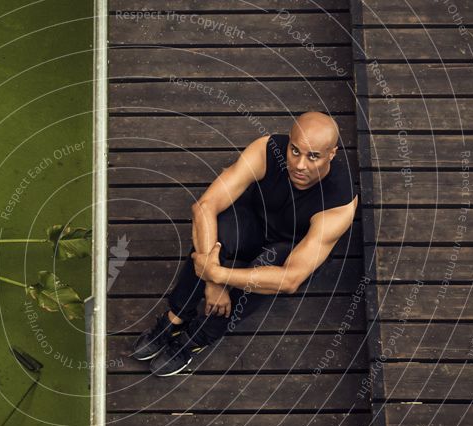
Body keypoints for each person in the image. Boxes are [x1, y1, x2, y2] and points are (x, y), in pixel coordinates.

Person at [130, 111, 358, 376]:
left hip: (288, 248)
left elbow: (290, 279)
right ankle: (177, 316)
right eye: (294, 151)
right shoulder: (267, 149)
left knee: (269, 266)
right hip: (252, 224)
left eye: (313, 156)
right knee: (214, 229)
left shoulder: (340, 202)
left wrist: (216, 273)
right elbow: (204, 207)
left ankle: (197, 338)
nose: (299, 165)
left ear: (331, 154)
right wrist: (213, 284)